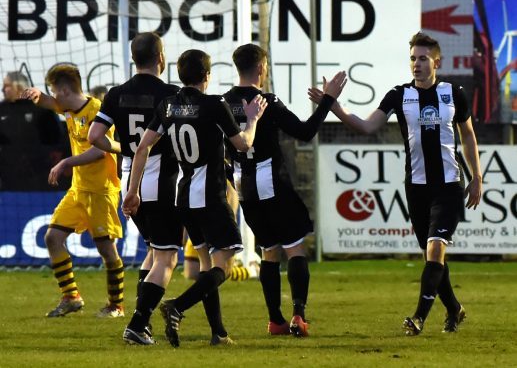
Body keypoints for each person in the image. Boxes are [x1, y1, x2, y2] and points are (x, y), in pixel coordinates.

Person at [309, 31, 482, 335]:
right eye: (413, 58)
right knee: (432, 256)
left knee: (436, 248)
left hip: (448, 186)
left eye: (423, 58)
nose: (417, 64)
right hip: (416, 189)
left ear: (436, 61)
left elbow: (467, 135)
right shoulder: (399, 95)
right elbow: (366, 127)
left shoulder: (454, 93)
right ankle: (454, 308)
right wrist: (333, 106)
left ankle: (418, 318)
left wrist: (476, 176)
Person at [122, 49, 267, 347]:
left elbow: (142, 148)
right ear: (207, 76)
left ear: (180, 74)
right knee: (223, 266)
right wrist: (252, 120)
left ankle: (219, 333)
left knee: (206, 264)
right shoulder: (215, 105)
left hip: (183, 196)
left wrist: (133, 190)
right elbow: (242, 144)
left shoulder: (167, 106)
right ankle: (177, 306)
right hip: (211, 198)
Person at [223, 43, 346, 337]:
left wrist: (232, 176)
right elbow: (305, 131)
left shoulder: (223, 102)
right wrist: (328, 100)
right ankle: (298, 316)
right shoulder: (266, 101)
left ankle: (275, 320)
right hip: (271, 182)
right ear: (262, 68)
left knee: (269, 250)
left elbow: (219, 150)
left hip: (244, 186)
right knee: (294, 248)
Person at [88, 32, 182, 345]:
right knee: (167, 258)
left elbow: (94, 136)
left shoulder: (116, 93)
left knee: (154, 251)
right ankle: (138, 324)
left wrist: (121, 148)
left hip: (129, 177)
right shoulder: (171, 93)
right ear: (160, 57)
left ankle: (144, 321)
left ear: (134, 58)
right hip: (158, 181)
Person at [21, 64, 125, 318]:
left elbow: (102, 150)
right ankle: (71, 297)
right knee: (52, 238)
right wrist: (37, 95)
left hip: (101, 191)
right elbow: (51, 103)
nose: (53, 96)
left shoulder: (98, 111)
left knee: (106, 251)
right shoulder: (68, 107)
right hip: (79, 190)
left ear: (65, 90)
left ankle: (116, 305)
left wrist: (66, 161)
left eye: (54, 91)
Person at [0, 71, 63, 190]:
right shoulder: (2, 110)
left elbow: (56, 141)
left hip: (39, 177)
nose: (2, 89)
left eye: (6, 86)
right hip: (8, 178)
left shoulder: (42, 108)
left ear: (18, 87)